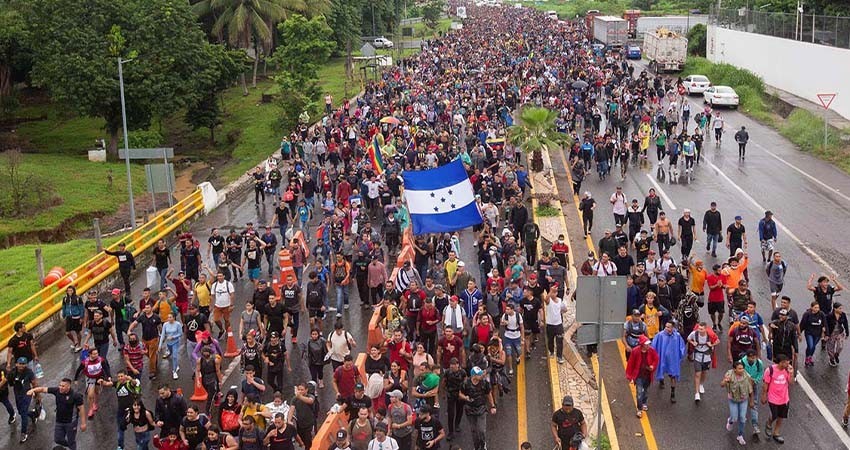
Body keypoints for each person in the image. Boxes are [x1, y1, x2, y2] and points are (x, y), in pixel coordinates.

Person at [459, 366, 495, 450]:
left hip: (481, 409)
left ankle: (483, 445)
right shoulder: (465, 383)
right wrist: (465, 398)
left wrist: (492, 406)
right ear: (474, 375)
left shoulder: (484, 383)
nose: (481, 376)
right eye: (479, 375)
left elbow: (489, 394)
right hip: (470, 410)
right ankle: (476, 446)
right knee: (474, 431)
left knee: (481, 430)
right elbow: (460, 394)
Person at [762, 354, 795, 444]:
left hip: (784, 399)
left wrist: (791, 373)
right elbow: (765, 384)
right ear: (781, 363)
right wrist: (764, 395)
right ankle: (769, 423)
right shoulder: (770, 370)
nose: (788, 364)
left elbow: (791, 382)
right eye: (786, 362)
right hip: (773, 398)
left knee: (781, 416)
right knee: (774, 415)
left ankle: (776, 433)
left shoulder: (787, 370)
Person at [652, 321, 686, 403]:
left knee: (673, 376)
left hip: (672, 360)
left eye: (668, 327)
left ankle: (672, 393)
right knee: (661, 370)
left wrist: (679, 357)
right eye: (666, 326)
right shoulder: (660, 335)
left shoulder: (677, 336)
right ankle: (661, 380)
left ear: (673, 328)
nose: (666, 328)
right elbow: (654, 346)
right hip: (662, 358)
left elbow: (682, 347)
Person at [721, 361, 754, 445]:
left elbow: (750, 389)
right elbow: (721, 384)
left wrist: (752, 401)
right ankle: (730, 421)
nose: (742, 370)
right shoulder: (729, 375)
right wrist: (725, 381)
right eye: (739, 368)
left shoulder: (746, 376)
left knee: (742, 418)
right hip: (733, 400)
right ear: (734, 369)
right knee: (734, 417)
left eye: (742, 368)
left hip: (743, 399)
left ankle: (740, 435)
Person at [625, 335, 658, 417]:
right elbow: (631, 364)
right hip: (639, 376)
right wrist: (630, 377)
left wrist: (652, 366)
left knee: (645, 391)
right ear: (642, 344)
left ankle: (644, 402)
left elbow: (656, 359)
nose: (648, 346)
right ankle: (639, 409)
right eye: (647, 344)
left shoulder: (651, 351)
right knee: (639, 392)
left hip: (647, 375)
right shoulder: (635, 351)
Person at [687, 322, 719, 402]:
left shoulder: (710, 335)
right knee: (698, 374)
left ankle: (701, 384)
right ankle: (697, 393)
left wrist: (711, 345)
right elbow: (688, 338)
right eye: (699, 328)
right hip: (697, 356)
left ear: (705, 329)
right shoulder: (694, 334)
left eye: (701, 329)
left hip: (707, 357)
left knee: (704, 372)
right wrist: (692, 342)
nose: (699, 330)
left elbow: (718, 341)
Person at [544, 285, 568, 363]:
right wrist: (550, 291)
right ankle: (551, 351)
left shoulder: (560, 301)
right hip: (550, 324)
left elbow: (564, 310)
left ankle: (559, 356)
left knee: (560, 341)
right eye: (552, 293)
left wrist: (563, 310)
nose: (553, 294)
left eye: (555, 293)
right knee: (550, 340)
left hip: (558, 324)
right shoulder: (549, 301)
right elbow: (546, 299)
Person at [799, 301, 827, 367]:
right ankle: (807, 358)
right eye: (815, 307)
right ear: (811, 308)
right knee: (810, 346)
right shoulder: (807, 314)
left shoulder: (821, 314)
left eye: (818, 307)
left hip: (817, 333)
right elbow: (802, 324)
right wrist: (799, 333)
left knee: (813, 347)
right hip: (809, 333)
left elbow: (825, 323)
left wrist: (826, 333)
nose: (817, 309)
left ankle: (810, 357)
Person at [826, 302, 849, 366]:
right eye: (840, 308)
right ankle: (831, 358)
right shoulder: (829, 316)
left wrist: (847, 333)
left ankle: (836, 355)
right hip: (832, 333)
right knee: (831, 347)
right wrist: (826, 334)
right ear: (835, 309)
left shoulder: (843, 315)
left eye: (841, 308)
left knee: (840, 346)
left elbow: (846, 323)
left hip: (840, 332)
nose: (841, 310)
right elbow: (826, 325)